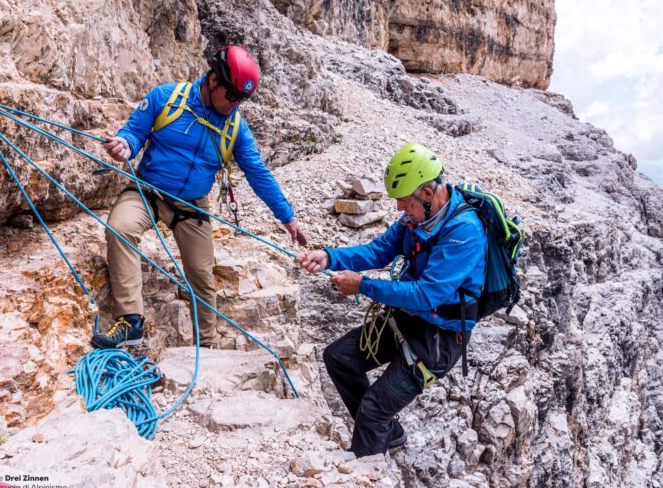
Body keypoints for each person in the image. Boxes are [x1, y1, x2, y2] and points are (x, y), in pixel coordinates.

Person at [92, 45, 307, 349]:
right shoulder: (166, 98)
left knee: (202, 276)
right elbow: (134, 133)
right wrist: (125, 145)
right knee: (120, 228)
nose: (234, 105)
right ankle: (131, 322)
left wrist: (288, 218)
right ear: (213, 80)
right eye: (231, 95)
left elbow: (258, 174)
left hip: (192, 205)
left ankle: (206, 345)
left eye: (241, 99)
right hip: (148, 191)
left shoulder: (236, 128)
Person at [295, 142, 487, 457]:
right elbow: (378, 250)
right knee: (339, 358)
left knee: (372, 411)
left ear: (427, 193)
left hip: (438, 338)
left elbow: (427, 293)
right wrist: (328, 257)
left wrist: (363, 285)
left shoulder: (464, 232)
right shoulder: (416, 219)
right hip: (409, 319)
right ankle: (389, 432)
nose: (399, 209)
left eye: (403, 201)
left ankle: (363, 470)